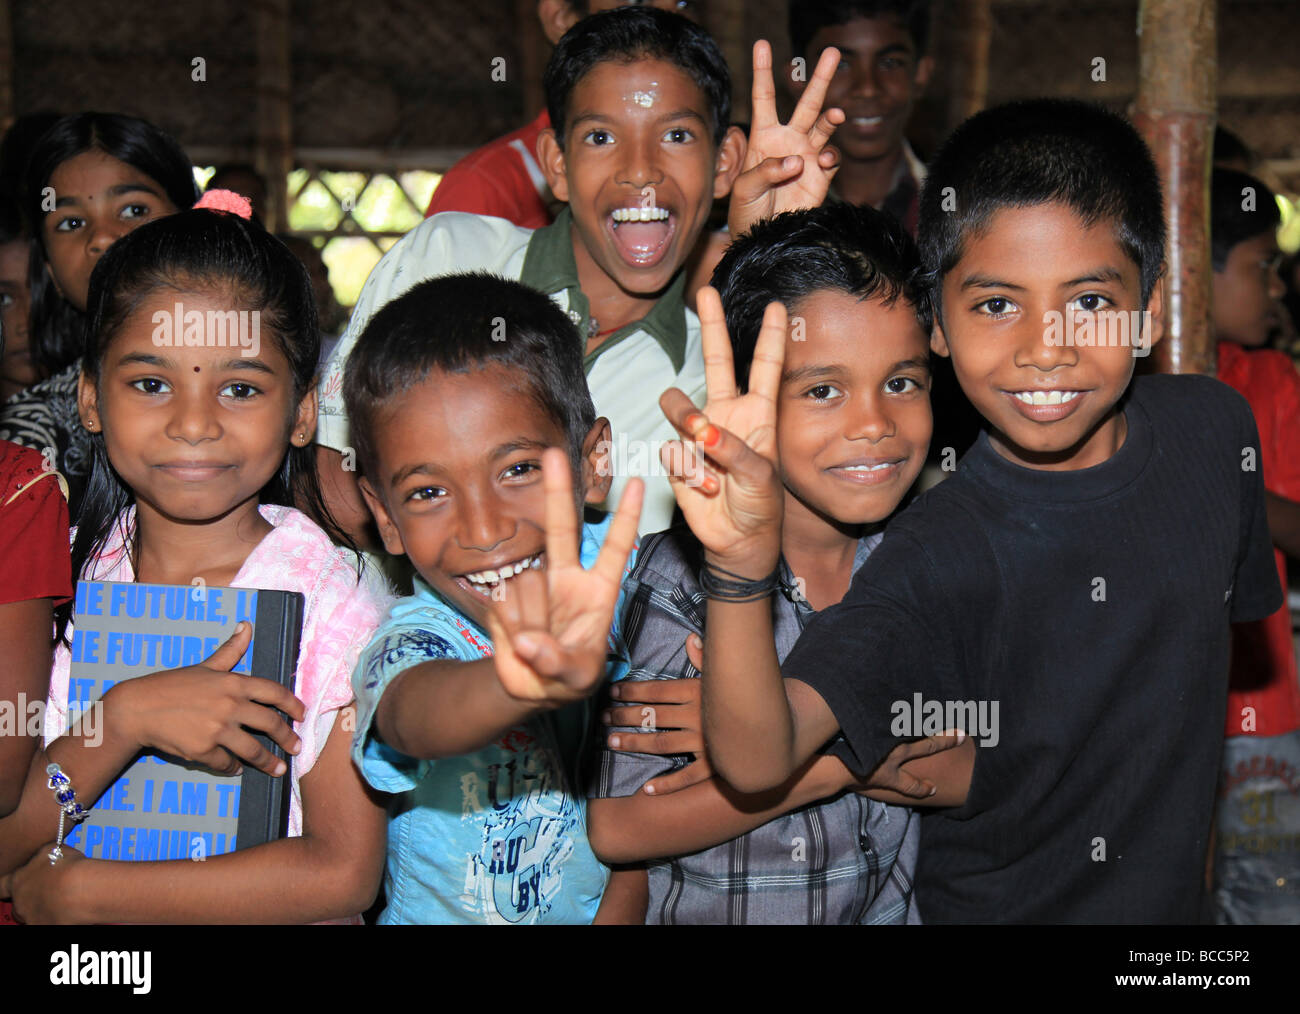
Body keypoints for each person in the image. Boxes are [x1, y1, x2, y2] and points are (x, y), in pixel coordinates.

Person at [664, 98, 1282, 924]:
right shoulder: (936, 551)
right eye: (996, 304)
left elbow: (1198, 704)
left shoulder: (1215, 431)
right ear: (939, 328)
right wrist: (739, 570)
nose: (1044, 346)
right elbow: (758, 755)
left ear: (1151, 308)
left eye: (1090, 301)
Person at [0, 194, 392, 924]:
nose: (192, 422)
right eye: (151, 383)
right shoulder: (70, 582)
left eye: (239, 388)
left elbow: (343, 873)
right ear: (89, 399)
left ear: (303, 411)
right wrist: (118, 724)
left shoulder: (332, 605)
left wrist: (90, 894)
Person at [316, 6, 846, 540]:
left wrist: (767, 253)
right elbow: (334, 483)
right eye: (600, 137)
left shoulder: (713, 374)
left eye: (677, 135)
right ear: (557, 165)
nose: (640, 170)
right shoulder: (447, 255)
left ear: (725, 162)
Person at [587, 204, 968, 923]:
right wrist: (834, 761)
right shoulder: (673, 583)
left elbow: (971, 770)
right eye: (823, 390)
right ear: (743, 402)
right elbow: (620, 827)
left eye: (902, 382)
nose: (873, 424)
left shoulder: (924, 562)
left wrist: (789, 748)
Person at [341, 271, 644, 923]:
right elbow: (413, 713)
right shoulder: (414, 640)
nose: (484, 531)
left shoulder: (639, 587)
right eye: (428, 492)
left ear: (594, 463)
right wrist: (518, 680)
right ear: (383, 515)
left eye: (517, 470)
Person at [0, 113, 198, 511]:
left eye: (132, 210)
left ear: (192, 225)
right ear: (51, 270)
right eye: (71, 222)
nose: (103, 236)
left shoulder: (265, 381)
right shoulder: (30, 436)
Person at [1208, 167, 1300, 924]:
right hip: (1147, 705)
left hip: (1259, 706)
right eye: (1260, 266)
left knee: (1264, 895)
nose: (1276, 287)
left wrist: (1220, 479)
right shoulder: (1114, 383)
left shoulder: (1271, 381)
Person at [423, 1, 703, 229]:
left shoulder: (708, 188)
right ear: (562, 18)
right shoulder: (483, 190)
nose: (672, 22)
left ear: (726, 160)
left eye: (682, 3)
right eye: (637, 3)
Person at [787, 0, 932, 234]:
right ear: (797, 76)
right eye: (840, 65)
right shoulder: (773, 217)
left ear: (921, 74)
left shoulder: (954, 210)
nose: (867, 88)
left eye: (890, 63)